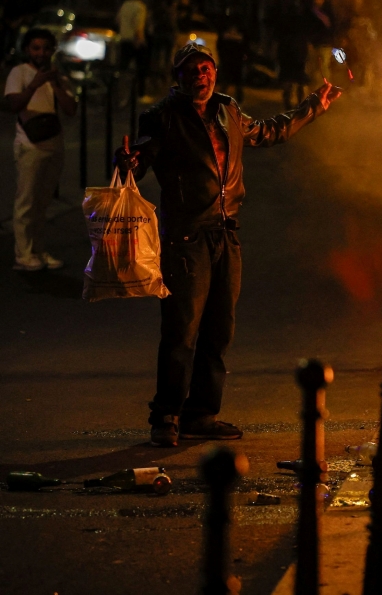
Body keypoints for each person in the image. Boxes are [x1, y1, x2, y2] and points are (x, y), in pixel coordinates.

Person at [115, 43, 341, 447]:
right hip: (186, 237)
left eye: (206, 68)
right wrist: (130, 160)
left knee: (220, 330)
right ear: (177, 77)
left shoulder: (228, 110)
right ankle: (165, 416)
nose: (199, 76)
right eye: (190, 70)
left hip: (226, 233)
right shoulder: (162, 116)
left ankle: (201, 413)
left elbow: (268, 132)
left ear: (215, 72)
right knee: (181, 331)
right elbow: (144, 155)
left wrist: (313, 107)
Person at [5, 28, 78, 271]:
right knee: (26, 201)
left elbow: (70, 108)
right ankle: (23, 254)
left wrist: (54, 83)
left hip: (54, 144)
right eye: (36, 48)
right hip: (30, 144)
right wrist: (35, 84)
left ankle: (38, 250)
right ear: (27, 50)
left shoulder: (58, 76)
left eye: (46, 48)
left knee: (43, 202)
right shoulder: (19, 72)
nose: (41, 53)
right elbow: (14, 104)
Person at [277, 0, 310, 109]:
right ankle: (299, 103)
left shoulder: (283, 20)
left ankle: (288, 102)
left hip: (287, 51)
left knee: (288, 79)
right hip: (298, 52)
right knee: (299, 79)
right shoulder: (303, 21)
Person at [117, 0, 150, 100]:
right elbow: (138, 24)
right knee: (141, 68)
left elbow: (117, 20)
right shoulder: (140, 7)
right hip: (135, 40)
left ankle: (120, 93)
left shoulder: (125, 5)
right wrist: (139, 40)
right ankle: (141, 94)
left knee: (123, 67)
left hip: (124, 39)